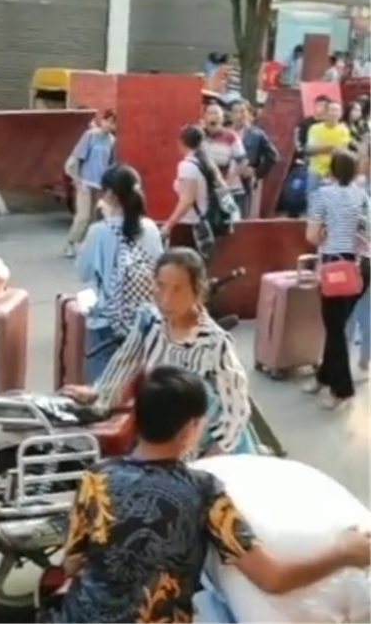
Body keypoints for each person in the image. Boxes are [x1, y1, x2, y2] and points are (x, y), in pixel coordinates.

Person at [54, 367, 371, 624]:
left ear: (136, 419)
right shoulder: (204, 492)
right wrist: (343, 553)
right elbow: (272, 578)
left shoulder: (97, 477)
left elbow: (71, 563)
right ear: (191, 429)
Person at [63, 248, 252, 455]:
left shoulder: (215, 344)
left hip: (203, 448)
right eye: (161, 286)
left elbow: (237, 411)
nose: (166, 299)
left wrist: (212, 458)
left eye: (178, 290)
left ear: (197, 291)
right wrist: (99, 394)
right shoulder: (149, 322)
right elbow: (125, 363)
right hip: (162, 441)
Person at [77, 165, 163, 383]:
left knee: (101, 386)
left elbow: (83, 273)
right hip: (144, 319)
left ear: (110, 194)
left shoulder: (98, 231)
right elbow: (159, 267)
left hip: (106, 320)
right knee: (138, 383)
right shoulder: (151, 228)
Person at [305, 151, 370, 409]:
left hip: (335, 267)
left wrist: (326, 234)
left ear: (331, 170)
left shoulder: (322, 195)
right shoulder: (362, 196)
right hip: (362, 266)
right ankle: (323, 377)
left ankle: (342, 390)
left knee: (334, 330)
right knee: (338, 326)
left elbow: (312, 236)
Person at [64, 110, 117, 258]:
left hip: (100, 184)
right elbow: (77, 157)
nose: (109, 125)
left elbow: (111, 164)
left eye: (113, 123)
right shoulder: (90, 135)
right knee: (83, 216)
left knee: (94, 217)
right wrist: (76, 179)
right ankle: (71, 242)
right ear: (102, 121)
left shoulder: (112, 141)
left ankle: (85, 244)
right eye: (108, 121)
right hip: (85, 182)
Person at [346, 142, 370, 374]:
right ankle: (365, 358)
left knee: (349, 312)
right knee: (366, 309)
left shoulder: (359, 191)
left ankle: (340, 364)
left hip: (359, 258)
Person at [231, 100, 279, 216]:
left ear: (249, 114)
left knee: (243, 215)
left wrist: (256, 172)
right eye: (236, 112)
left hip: (245, 182)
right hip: (227, 180)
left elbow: (273, 156)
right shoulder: (225, 133)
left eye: (242, 111)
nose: (239, 115)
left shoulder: (257, 134)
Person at [201, 103, 247, 207]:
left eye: (217, 113)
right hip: (203, 190)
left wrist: (228, 181)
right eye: (210, 113)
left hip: (225, 190)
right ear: (204, 117)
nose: (214, 116)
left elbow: (243, 161)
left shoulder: (231, 137)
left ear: (222, 118)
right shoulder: (200, 136)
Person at [305, 100, 351, 196]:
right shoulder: (315, 129)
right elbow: (309, 150)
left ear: (341, 114)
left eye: (337, 110)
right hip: (316, 171)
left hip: (335, 173)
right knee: (313, 199)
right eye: (332, 110)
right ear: (326, 112)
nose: (334, 113)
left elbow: (343, 152)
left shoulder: (344, 130)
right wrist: (330, 148)